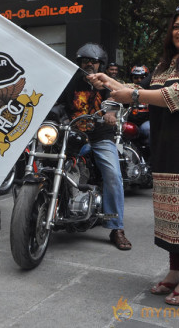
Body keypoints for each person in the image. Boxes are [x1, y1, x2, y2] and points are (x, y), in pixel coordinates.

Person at [88, 5, 179, 306]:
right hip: (167, 144)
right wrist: (110, 83)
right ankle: (176, 272)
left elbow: (177, 95)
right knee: (170, 212)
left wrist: (133, 95)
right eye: (176, 26)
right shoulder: (167, 62)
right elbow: (141, 90)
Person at [59, 42, 131, 251]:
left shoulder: (108, 84)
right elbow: (58, 104)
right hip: (73, 135)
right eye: (85, 61)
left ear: (101, 64)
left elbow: (118, 100)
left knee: (112, 174)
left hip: (100, 137)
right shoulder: (69, 83)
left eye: (93, 61)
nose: (89, 64)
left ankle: (116, 227)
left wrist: (111, 113)